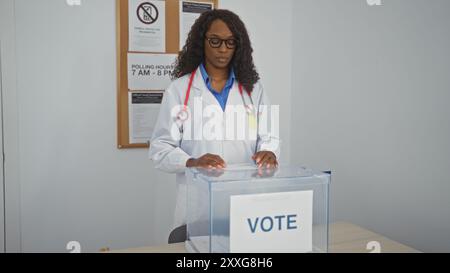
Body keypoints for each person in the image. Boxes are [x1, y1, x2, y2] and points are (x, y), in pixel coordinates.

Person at [149, 9, 280, 238]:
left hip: (244, 200)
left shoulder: (253, 90)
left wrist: (268, 152)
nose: (223, 49)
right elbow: (160, 148)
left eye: (230, 42)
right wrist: (192, 161)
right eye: (215, 41)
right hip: (198, 204)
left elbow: (270, 137)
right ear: (202, 41)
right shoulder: (180, 90)